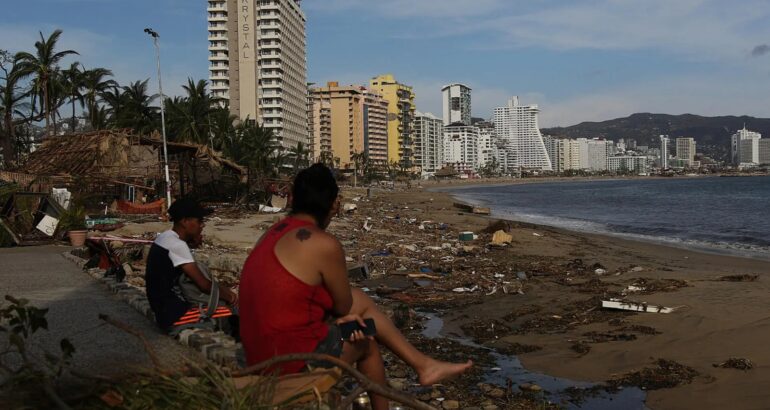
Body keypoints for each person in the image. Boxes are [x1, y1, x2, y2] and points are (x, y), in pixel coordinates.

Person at [239, 164, 472, 410]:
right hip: (288, 364)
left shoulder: (271, 233)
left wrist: (333, 320)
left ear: (293, 199)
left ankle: (423, 365)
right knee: (366, 341)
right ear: (333, 205)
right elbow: (344, 306)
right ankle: (419, 370)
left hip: (258, 354)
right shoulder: (323, 243)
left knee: (359, 301)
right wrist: (338, 321)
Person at [145, 197, 238, 333]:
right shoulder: (178, 245)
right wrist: (231, 296)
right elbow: (204, 285)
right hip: (173, 314)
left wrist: (191, 242)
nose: (202, 225)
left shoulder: (165, 237)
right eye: (199, 221)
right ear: (184, 221)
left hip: (161, 307)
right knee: (229, 312)